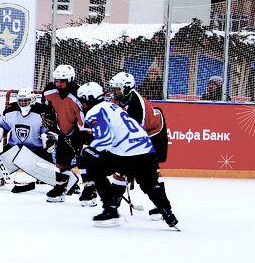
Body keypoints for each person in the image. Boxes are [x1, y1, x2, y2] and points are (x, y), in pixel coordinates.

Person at [73, 81, 178, 228]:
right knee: (149, 184)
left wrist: (89, 151)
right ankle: (167, 213)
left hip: (127, 152)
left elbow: (104, 139)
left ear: (88, 99)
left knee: (93, 167)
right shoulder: (112, 106)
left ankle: (111, 209)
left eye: (82, 101)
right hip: (146, 149)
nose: (81, 104)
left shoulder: (94, 112)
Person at [0, 87, 57, 192]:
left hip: (36, 149)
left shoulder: (41, 113)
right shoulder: (11, 111)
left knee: (53, 173)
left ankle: (63, 183)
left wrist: (49, 140)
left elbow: (49, 131)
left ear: (32, 100)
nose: (23, 103)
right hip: (15, 148)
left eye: (26, 100)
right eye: (21, 101)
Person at [41, 64, 94, 204]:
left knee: (83, 160)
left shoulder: (78, 94)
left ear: (70, 80)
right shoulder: (49, 90)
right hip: (63, 130)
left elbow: (84, 119)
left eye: (62, 81)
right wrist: (48, 115)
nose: (58, 84)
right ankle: (60, 188)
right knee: (61, 161)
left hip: (78, 130)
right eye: (56, 81)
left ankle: (90, 190)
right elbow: (47, 106)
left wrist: (84, 140)